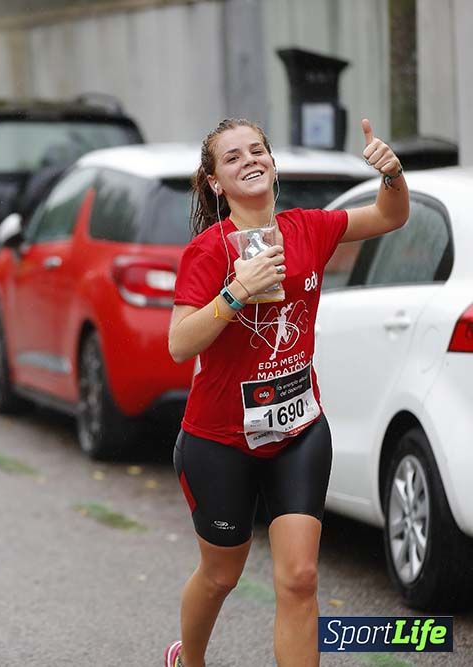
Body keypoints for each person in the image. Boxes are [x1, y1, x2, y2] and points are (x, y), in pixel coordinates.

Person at [164, 117, 408, 667]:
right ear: (215, 182)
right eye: (233, 157)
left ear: (273, 164)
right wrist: (235, 293)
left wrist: (392, 175)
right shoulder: (208, 252)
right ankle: (189, 658)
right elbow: (179, 344)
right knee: (221, 575)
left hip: (298, 430)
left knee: (300, 578)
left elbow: (390, 215)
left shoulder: (308, 228)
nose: (250, 160)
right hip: (220, 441)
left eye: (258, 150)